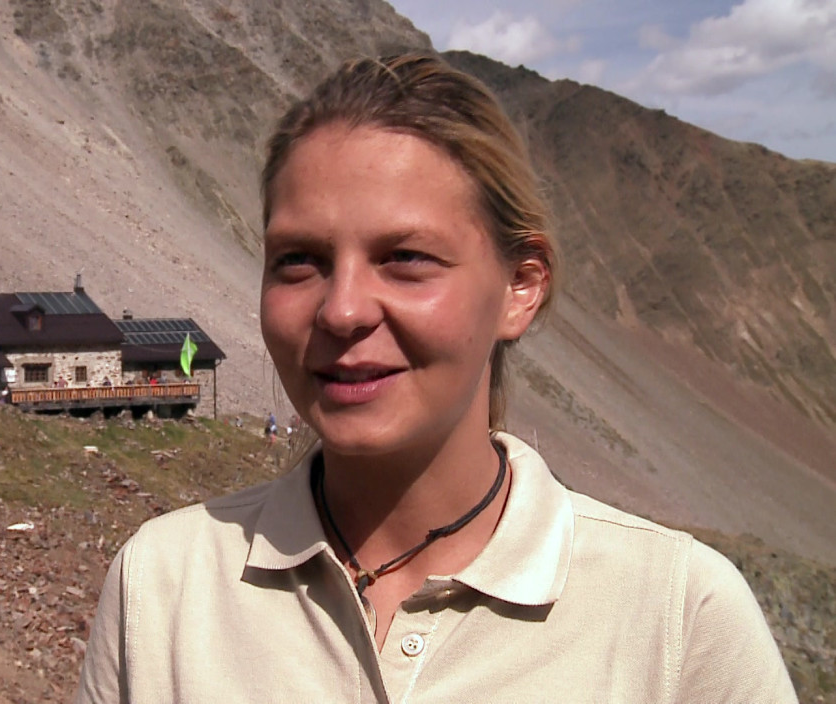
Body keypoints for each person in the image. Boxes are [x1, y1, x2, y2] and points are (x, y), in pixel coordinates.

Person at [76, 54, 796, 703]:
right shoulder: (161, 590)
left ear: (520, 287)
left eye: (407, 258)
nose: (342, 309)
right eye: (298, 260)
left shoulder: (678, 617)